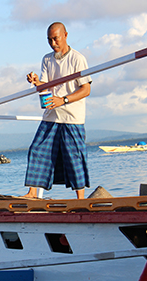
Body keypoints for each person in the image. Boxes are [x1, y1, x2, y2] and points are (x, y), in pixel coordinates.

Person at [23, 22, 92, 199]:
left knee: (74, 155)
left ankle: (80, 198)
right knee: (37, 149)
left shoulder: (78, 58)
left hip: (72, 116)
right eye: (49, 40)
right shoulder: (47, 59)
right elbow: (45, 87)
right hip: (51, 115)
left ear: (65, 35)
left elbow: (86, 89)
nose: (53, 43)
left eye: (56, 39)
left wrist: (64, 100)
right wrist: (36, 81)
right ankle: (32, 193)